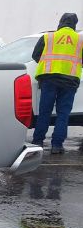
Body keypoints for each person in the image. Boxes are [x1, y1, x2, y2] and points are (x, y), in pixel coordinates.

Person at [31, 12, 81, 154]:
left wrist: (50, 64)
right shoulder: (80, 40)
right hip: (70, 81)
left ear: (60, 21)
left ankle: (38, 142)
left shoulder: (48, 36)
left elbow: (36, 55)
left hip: (49, 79)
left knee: (44, 112)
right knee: (63, 114)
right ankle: (57, 146)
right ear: (75, 24)